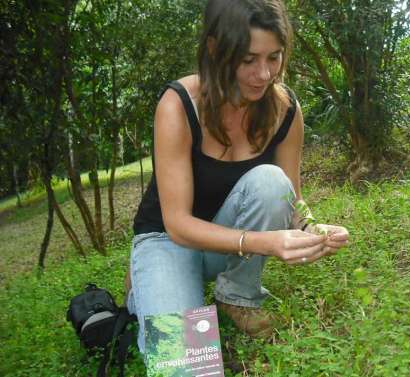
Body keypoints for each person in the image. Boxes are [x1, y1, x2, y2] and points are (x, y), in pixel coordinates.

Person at [127, 0, 349, 354]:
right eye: (248, 60)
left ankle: (237, 296)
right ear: (216, 50)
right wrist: (267, 243)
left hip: (226, 242)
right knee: (187, 361)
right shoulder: (179, 104)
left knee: (273, 182)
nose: (263, 74)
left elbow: (291, 199)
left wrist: (312, 229)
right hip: (169, 240)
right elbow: (178, 224)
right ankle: (148, 281)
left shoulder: (285, 110)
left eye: (273, 57)